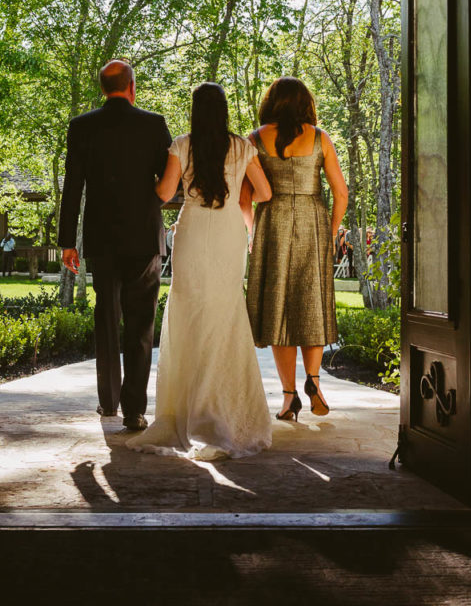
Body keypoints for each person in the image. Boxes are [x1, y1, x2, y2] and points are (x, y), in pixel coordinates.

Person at [126, 82, 273, 460]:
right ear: (223, 111)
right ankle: (221, 411)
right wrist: (238, 190)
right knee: (224, 314)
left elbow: (164, 193)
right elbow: (265, 192)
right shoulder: (242, 147)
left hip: (192, 234)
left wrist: (149, 177)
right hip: (228, 234)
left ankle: (187, 411)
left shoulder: (182, 145)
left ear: (195, 111)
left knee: (191, 314)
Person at [58, 59, 171, 431]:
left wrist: (66, 243)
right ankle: (134, 410)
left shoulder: (82, 127)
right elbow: (168, 184)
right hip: (143, 236)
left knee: (106, 318)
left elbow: (72, 186)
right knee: (140, 323)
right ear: (132, 87)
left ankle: (108, 402)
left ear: (102, 89)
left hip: (101, 238)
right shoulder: (153, 125)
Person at [245, 76, 348, 421]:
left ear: (271, 103)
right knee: (311, 302)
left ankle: (289, 398)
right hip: (313, 221)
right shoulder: (321, 139)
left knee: (278, 308)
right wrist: (331, 231)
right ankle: (314, 380)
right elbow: (341, 193)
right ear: (306, 103)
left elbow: (248, 196)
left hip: (272, 222)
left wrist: (249, 233)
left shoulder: (256, 140)